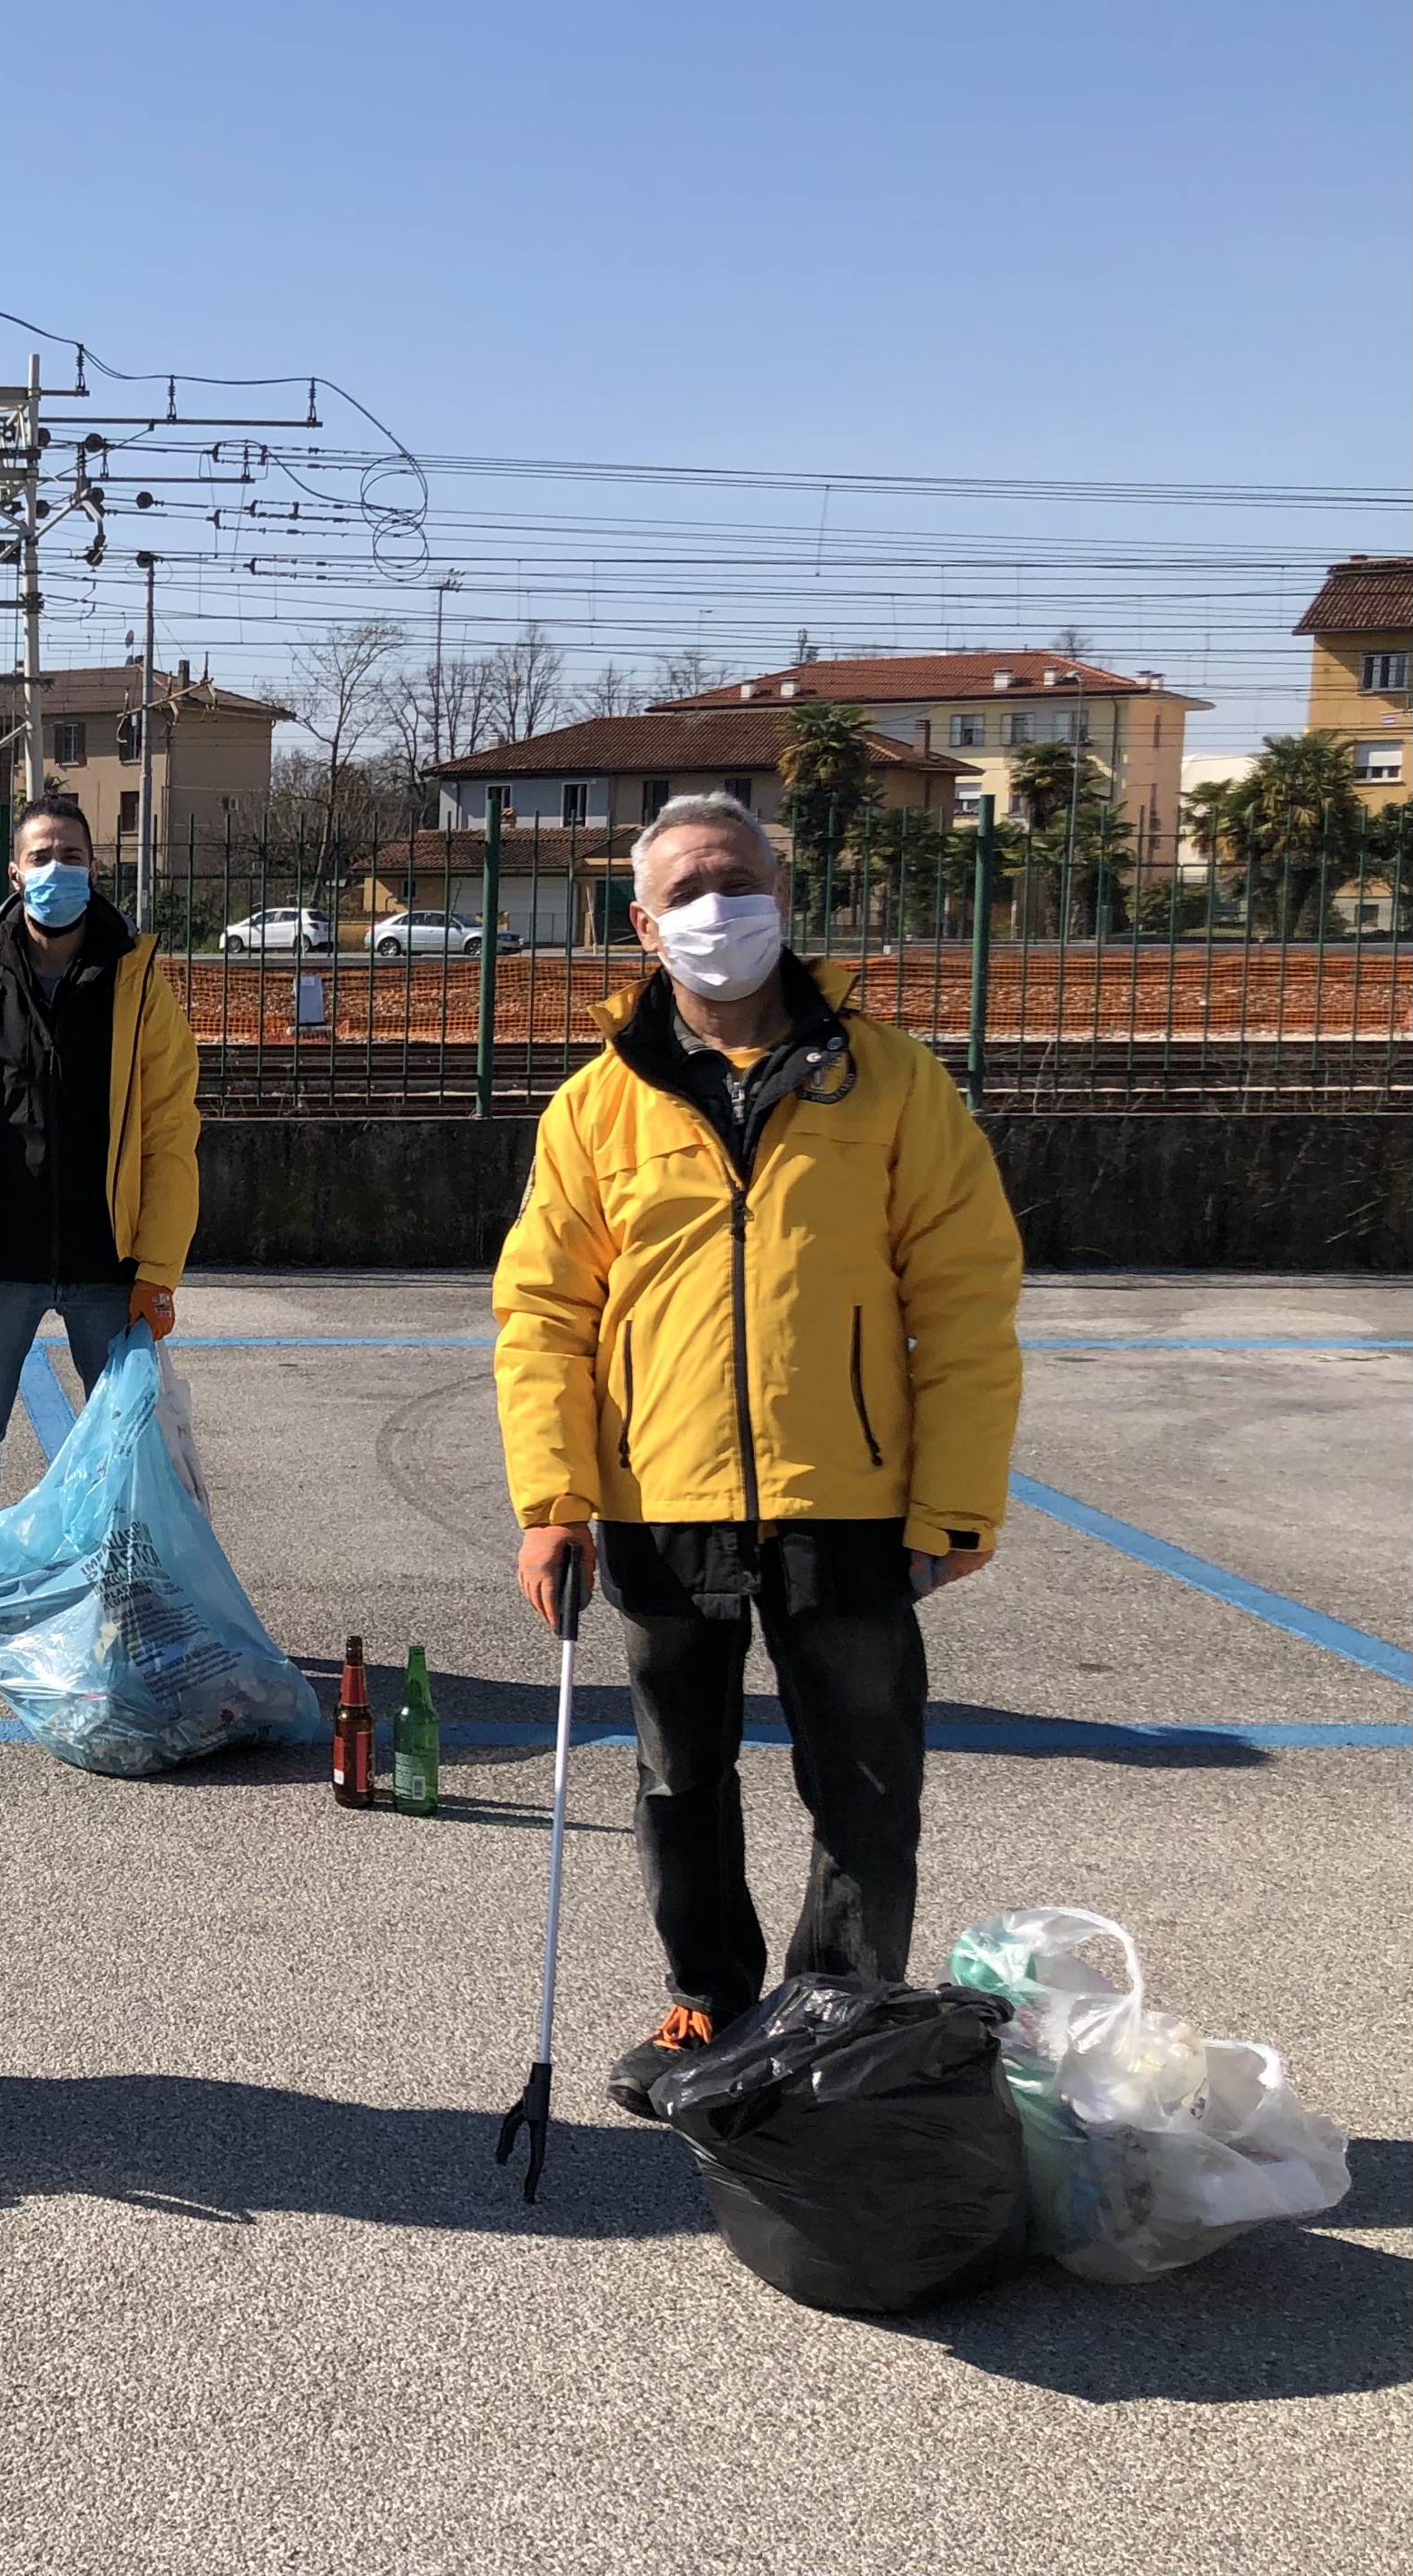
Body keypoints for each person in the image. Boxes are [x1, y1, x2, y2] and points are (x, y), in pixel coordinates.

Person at [493, 789, 1024, 2117]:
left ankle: (837, 2021)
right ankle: (714, 2001)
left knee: (863, 1782)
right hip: (660, 1498)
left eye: (738, 882)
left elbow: (964, 1296)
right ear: (642, 922)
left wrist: (951, 1498)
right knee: (679, 1777)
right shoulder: (596, 1105)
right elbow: (544, 1312)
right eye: (686, 892)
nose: (715, 911)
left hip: (846, 1496)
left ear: (785, 899)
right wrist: (553, 1499)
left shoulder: (890, 1078)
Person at [0, 790, 201, 1680]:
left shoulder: (138, 983)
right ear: (13, 871)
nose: (55, 868)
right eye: (40, 854)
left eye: (70, 852)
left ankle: (133, 1604)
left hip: (110, 1262)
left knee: (127, 1446)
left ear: (93, 868)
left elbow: (172, 1132)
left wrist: (158, 1270)